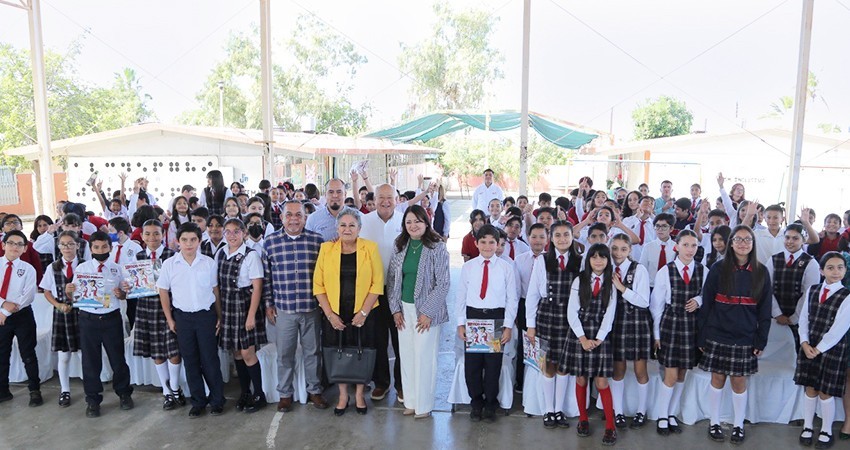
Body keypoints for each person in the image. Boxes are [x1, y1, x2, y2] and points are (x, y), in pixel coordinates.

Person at [698, 225, 772, 444]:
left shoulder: (761, 271)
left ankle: (739, 425)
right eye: (738, 239)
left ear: (753, 243)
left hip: (745, 336)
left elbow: (765, 309)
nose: (742, 244)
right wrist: (702, 335)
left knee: (739, 382)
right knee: (717, 378)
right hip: (718, 333)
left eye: (747, 240)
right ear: (731, 243)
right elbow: (707, 303)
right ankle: (714, 422)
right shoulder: (718, 268)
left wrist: (761, 338)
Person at [313, 207, 383, 416]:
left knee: (363, 351)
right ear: (337, 228)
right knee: (338, 352)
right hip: (335, 313)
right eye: (343, 225)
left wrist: (363, 313)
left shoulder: (370, 249)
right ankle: (343, 395)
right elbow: (318, 286)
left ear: (359, 228)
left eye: (352, 225)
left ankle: (360, 394)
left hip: (364, 313)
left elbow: (377, 284)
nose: (347, 229)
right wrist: (330, 315)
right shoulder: (326, 249)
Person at [263, 201, 329, 412]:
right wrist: (268, 304)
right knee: (285, 354)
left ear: (305, 217)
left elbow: (324, 275)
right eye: (289, 215)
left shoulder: (317, 241)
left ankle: (315, 391)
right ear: (281, 218)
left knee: (313, 352)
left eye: (298, 215)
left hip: (311, 308)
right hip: (284, 309)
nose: (293, 219)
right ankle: (285, 393)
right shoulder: (270, 242)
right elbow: (267, 277)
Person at [387, 205, 450, 419]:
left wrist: (428, 312)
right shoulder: (400, 245)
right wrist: (395, 310)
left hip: (426, 312)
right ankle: (411, 402)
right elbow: (393, 280)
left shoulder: (437, 247)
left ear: (426, 222)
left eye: (417, 221)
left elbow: (443, 284)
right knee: (406, 356)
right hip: (404, 310)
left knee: (424, 357)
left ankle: (424, 405)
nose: (413, 225)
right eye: (409, 222)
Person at [158, 223, 225, 418]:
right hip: (183, 318)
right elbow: (163, 291)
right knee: (191, 361)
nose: (189, 244)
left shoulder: (208, 263)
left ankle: (217, 400)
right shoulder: (170, 264)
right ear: (177, 241)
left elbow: (215, 291)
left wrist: (219, 316)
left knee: (210, 360)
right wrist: (170, 319)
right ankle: (198, 401)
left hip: (206, 316)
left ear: (199, 241)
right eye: (184, 240)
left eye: (193, 240)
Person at [68, 231, 133, 418]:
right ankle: (93, 400)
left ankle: (124, 394)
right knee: (90, 362)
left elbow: (124, 294)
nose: (100, 250)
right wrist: (69, 291)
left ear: (110, 248)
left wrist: (121, 294)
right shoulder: (82, 269)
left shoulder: (117, 269)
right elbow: (74, 297)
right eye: (96, 247)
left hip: (111, 319)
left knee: (118, 360)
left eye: (104, 247)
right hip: (88, 320)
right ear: (90, 248)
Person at [456, 224, 517, 423]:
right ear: (476, 243)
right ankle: (476, 402)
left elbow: (511, 299)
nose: (488, 246)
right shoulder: (468, 267)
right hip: (473, 316)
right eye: (483, 242)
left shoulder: (506, 268)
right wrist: (460, 323)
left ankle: (491, 402)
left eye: (492, 242)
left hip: (495, 317)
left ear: (499, 244)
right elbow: (461, 296)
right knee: (473, 365)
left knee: (493, 365)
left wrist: (507, 325)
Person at [650, 229, 707, 436]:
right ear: (677, 246)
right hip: (671, 324)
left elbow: (706, 296)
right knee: (671, 373)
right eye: (686, 245)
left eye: (694, 246)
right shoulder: (666, 270)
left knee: (683, 372)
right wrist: (656, 335)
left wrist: (699, 301)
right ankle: (662, 414)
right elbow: (656, 306)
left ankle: (672, 413)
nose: (690, 249)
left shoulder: (703, 270)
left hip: (692, 326)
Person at [526, 221, 583, 428]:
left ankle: (559, 409)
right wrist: (530, 325)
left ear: (572, 236)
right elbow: (532, 293)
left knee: (564, 365)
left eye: (566, 235)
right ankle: (548, 410)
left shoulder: (580, 261)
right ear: (551, 238)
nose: (562, 239)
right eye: (557, 235)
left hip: (571, 318)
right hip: (547, 316)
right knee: (547, 365)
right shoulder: (542, 260)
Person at [564, 243, 618, 445]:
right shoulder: (580, 280)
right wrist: (583, 338)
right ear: (588, 260)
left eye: (602, 257)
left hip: (601, 337)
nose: (598, 261)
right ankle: (583, 419)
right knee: (581, 379)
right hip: (580, 335)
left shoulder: (611, 284)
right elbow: (572, 311)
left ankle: (610, 427)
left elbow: (610, 314)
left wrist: (599, 338)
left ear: (607, 260)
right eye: (594, 257)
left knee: (602, 382)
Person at [795, 252, 850, 449]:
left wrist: (818, 349)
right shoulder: (812, 289)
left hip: (831, 349)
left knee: (825, 391)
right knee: (810, 388)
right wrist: (804, 343)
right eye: (831, 267)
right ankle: (807, 426)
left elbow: (839, 329)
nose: (836, 272)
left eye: (840, 267)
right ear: (821, 270)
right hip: (808, 346)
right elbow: (804, 318)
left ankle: (826, 429)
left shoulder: (847, 296)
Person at [128, 220, 185, 410]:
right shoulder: (138, 257)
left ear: (163, 235)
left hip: (169, 308)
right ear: (142, 236)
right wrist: (129, 286)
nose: (152, 238)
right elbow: (133, 285)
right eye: (148, 234)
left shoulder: (172, 256)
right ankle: (167, 392)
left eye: (156, 234)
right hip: (146, 308)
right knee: (156, 352)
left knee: (174, 352)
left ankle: (175, 387)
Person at [359, 184, 406, 402]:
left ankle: (402, 384)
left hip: (400, 290)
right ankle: (381, 383)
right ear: (374, 199)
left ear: (396, 200)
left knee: (400, 339)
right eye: (381, 197)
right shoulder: (363, 221)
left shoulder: (405, 220)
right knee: (377, 339)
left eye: (390, 197)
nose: (385, 201)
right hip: (372, 291)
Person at [218, 219, 267, 413]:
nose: (232, 235)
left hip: (245, 305)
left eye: (236, 231)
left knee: (248, 352)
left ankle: (259, 393)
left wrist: (251, 315)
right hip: (228, 305)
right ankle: (245, 392)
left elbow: (257, 288)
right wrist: (219, 314)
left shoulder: (251, 255)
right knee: (236, 352)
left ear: (244, 233)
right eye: (228, 232)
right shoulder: (221, 253)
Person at [608, 234, 652, 429]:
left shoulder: (638, 269)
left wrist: (621, 288)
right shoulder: (606, 268)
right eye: (615, 248)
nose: (618, 253)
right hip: (615, 323)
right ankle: (618, 412)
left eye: (623, 249)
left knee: (640, 370)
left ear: (630, 250)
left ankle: (642, 411)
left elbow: (644, 301)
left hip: (637, 324)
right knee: (618, 371)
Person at [0, 230, 41, 407]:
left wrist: (7, 311)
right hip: (0, 315)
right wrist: (2, 305)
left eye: (19, 244)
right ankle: (2, 391)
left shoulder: (28, 269)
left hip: (22, 316)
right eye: (11, 243)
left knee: (28, 354)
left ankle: (34, 390)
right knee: (2, 355)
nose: (14, 247)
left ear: (25, 249)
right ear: (3, 245)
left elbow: (28, 296)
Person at [39, 231, 80, 407]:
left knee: (85, 354)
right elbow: (46, 291)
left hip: (81, 312)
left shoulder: (85, 266)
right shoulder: (52, 267)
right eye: (63, 244)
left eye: (70, 244)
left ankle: (92, 389)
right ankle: (64, 390)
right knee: (64, 356)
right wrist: (57, 304)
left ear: (77, 245)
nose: (67, 248)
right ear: (58, 247)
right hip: (61, 313)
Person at [766, 224, 820, 351]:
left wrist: (794, 318)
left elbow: (809, 294)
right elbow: (766, 288)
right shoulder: (773, 259)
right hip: (774, 315)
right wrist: (777, 313)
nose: (790, 242)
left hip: (799, 317)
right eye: (787, 237)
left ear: (803, 240)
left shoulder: (811, 263)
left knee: (794, 351)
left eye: (795, 238)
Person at [514, 223, 548, 393]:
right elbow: (516, 288)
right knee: (525, 343)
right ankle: (521, 382)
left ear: (547, 239)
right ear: (528, 238)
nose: (537, 241)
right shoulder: (519, 259)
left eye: (542, 237)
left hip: (544, 307)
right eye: (534, 237)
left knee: (542, 344)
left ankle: (542, 381)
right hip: (523, 305)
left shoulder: (551, 260)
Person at [639, 213, 677, 290]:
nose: (660, 229)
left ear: (671, 229)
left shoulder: (677, 247)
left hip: (669, 287)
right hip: (650, 286)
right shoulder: (648, 247)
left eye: (664, 226)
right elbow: (642, 269)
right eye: (657, 226)